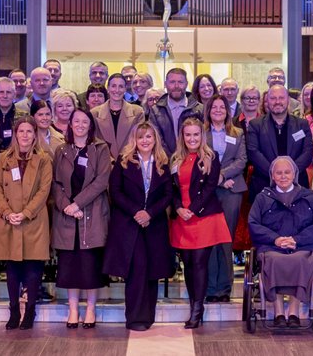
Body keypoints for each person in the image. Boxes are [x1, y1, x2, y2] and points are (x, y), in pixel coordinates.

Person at [104, 122, 175, 331]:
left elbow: (168, 194)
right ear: (134, 140)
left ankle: (148, 317)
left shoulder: (163, 162)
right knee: (136, 270)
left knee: (152, 271)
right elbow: (115, 192)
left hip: (154, 225)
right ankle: (134, 318)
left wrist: (149, 213)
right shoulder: (124, 162)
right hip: (129, 225)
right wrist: (137, 212)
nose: (145, 141)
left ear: (155, 140)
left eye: (149, 137)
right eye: (141, 137)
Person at [0, 118, 53, 330]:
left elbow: (44, 191)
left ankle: (31, 310)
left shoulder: (44, 159)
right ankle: (14, 310)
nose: (25, 135)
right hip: (9, 220)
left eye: (29, 131)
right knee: (13, 267)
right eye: (21, 131)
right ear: (15, 134)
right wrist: (7, 213)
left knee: (33, 266)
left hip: (33, 219)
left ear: (35, 134)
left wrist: (25, 213)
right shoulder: (4, 158)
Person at [248, 155, 313, 328]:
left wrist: (296, 240)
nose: (283, 176)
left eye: (287, 172)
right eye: (279, 173)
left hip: (301, 247)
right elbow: (253, 223)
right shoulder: (263, 198)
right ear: (272, 176)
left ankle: (293, 311)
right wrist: (275, 239)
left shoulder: (308, 196)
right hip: (272, 247)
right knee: (274, 260)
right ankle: (278, 312)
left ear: (294, 174)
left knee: (300, 259)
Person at [169, 117, 232, 329]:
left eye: (196, 134)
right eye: (188, 135)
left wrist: (192, 210)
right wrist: (179, 208)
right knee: (187, 263)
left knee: (198, 262)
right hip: (182, 217)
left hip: (204, 216)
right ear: (182, 137)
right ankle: (194, 304)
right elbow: (172, 189)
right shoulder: (175, 159)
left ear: (202, 136)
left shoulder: (210, 158)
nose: (192, 138)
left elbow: (209, 188)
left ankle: (197, 309)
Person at [52, 107, 112, 329]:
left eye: (84, 122)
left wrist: (78, 204)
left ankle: (90, 309)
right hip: (67, 217)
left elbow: (101, 180)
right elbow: (55, 183)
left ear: (90, 125)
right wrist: (67, 206)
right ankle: (73, 309)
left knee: (90, 266)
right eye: (75, 121)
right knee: (70, 267)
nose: (79, 125)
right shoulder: (61, 150)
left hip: (92, 215)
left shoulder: (100, 149)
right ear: (70, 124)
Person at [204, 95, 246, 304]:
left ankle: (225, 288)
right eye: (215, 107)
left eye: (222, 107)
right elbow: (199, 160)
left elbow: (242, 160)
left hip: (232, 191)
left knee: (226, 239)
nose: (218, 110)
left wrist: (223, 175)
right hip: (208, 192)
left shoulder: (237, 133)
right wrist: (218, 180)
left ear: (227, 111)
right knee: (210, 239)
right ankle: (211, 287)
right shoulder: (201, 134)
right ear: (209, 110)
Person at [246, 84, 313, 197]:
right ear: (267, 101)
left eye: (281, 98)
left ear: (288, 100)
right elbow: (253, 152)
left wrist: (290, 174)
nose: (277, 101)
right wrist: (275, 174)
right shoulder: (255, 125)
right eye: (273, 98)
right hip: (264, 185)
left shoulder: (302, 124)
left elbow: (308, 152)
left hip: (297, 184)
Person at [146, 67, 204, 154]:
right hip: (164, 161)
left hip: (193, 160)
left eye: (180, 82)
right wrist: (171, 160)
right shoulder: (155, 111)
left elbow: (203, 138)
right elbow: (156, 138)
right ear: (165, 84)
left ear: (186, 84)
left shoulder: (199, 109)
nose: (176, 86)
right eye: (172, 82)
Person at [90, 72, 145, 156]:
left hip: (129, 161)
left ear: (125, 89)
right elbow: (93, 142)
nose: (117, 90)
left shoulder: (137, 112)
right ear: (108, 88)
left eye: (121, 86)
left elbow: (140, 140)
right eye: (113, 86)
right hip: (103, 163)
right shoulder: (94, 113)